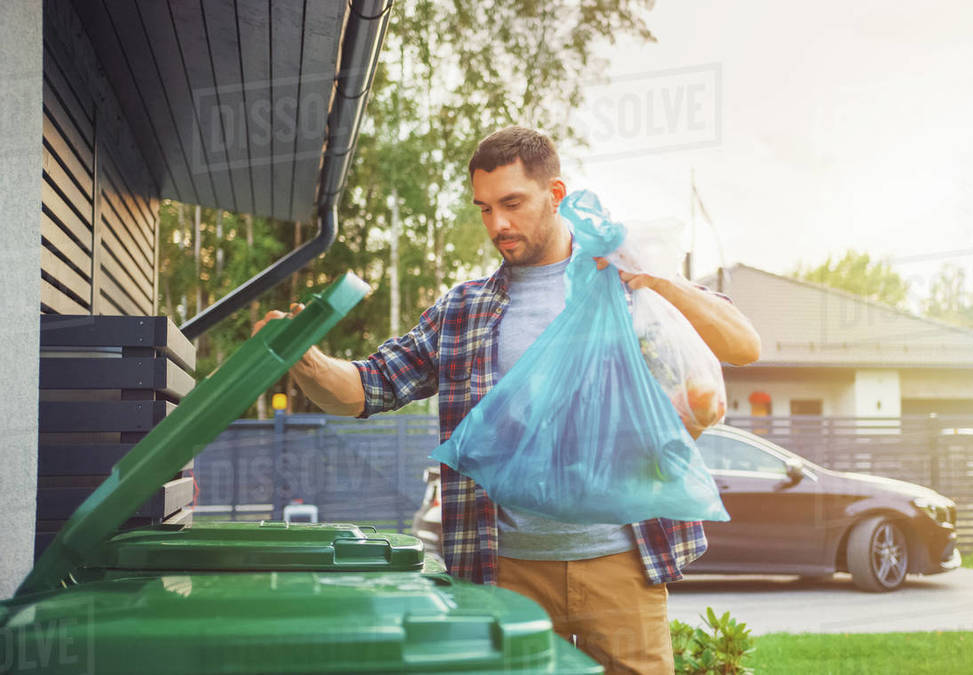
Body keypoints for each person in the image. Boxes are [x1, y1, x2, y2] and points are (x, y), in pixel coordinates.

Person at [254, 126, 761, 672]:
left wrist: (656, 280)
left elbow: (743, 345)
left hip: (622, 562)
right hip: (507, 571)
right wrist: (302, 357)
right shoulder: (464, 311)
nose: (498, 224)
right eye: (484, 208)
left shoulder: (624, 285)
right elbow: (366, 388)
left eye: (512, 203)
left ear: (556, 194)